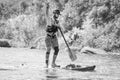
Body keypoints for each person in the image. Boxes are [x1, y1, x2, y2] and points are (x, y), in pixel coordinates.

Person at [45, 2, 61, 68]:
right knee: (48, 49)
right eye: (57, 14)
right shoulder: (50, 19)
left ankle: (53, 63)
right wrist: (47, 8)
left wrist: (59, 28)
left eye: (58, 14)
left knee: (57, 50)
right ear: (54, 14)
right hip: (48, 37)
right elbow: (46, 14)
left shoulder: (57, 21)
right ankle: (46, 64)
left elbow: (58, 32)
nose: (58, 15)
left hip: (54, 37)